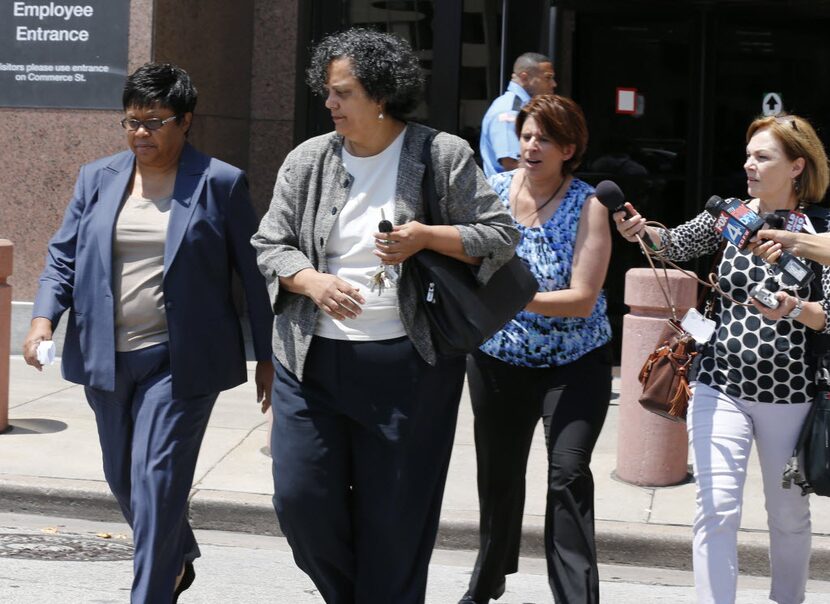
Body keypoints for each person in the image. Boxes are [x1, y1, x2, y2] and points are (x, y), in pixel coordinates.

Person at [250, 28, 519, 604]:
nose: (330, 104)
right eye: (327, 91)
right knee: (299, 502)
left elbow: (500, 237)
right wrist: (312, 281)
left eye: (342, 93)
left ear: (379, 95)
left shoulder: (440, 154)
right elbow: (270, 243)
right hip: (311, 361)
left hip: (409, 368)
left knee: (395, 523)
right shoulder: (309, 159)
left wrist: (428, 236)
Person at [22, 62, 274, 603]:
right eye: (132, 121)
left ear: (186, 121)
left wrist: (269, 357)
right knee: (122, 476)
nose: (141, 133)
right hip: (106, 357)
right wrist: (43, 316)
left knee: (157, 480)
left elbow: (253, 274)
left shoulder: (220, 183)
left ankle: (151, 592)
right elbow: (63, 256)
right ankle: (175, 555)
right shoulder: (98, 177)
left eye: (155, 122)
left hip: (179, 362)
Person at [615, 113, 830, 604]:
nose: (748, 164)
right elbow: (671, 244)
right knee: (715, 507)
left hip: (791, 396)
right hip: (719, 383)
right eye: (748, 155)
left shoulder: (820, 231)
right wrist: (640, 231)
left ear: (797, 166)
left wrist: (794, 308)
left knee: (789, 514)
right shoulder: (730, 217)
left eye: (763, 156)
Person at [460, 94, 613, 604]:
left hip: (574, 364)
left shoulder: (589, 204)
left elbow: (582, 300)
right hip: (499, 360)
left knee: (567, 475)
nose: (531, 145)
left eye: (544, 137)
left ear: (569, 148)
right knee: (498, 478)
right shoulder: (494, 192)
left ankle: (575, 597)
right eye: (526, 134)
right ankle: (488, 580)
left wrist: (509, 299)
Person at [479, 52, 556, 178]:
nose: (553, 84)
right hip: (509, 194)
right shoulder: (509, 111)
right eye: (548, 78)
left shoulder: (522, 107)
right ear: (525, 77)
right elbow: (511, 163)